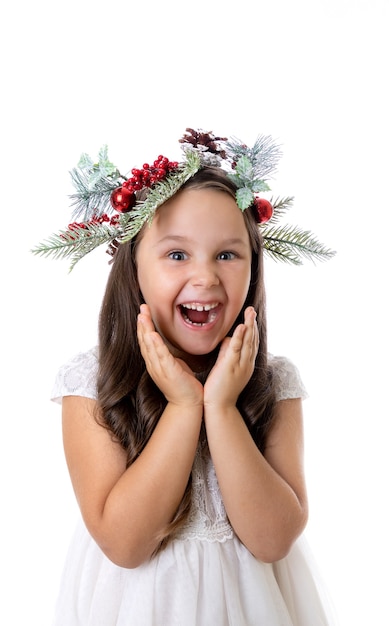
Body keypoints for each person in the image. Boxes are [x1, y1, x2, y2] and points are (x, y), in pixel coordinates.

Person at [34, 129, 337, 625]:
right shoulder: (92, 381)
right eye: (177, 255)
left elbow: (273, 539)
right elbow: (126, 545)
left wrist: (220, 407)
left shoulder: (273, 383)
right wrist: (182, 406)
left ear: (254, 268)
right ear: (134, 269)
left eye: (227, 254)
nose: (206, 277)